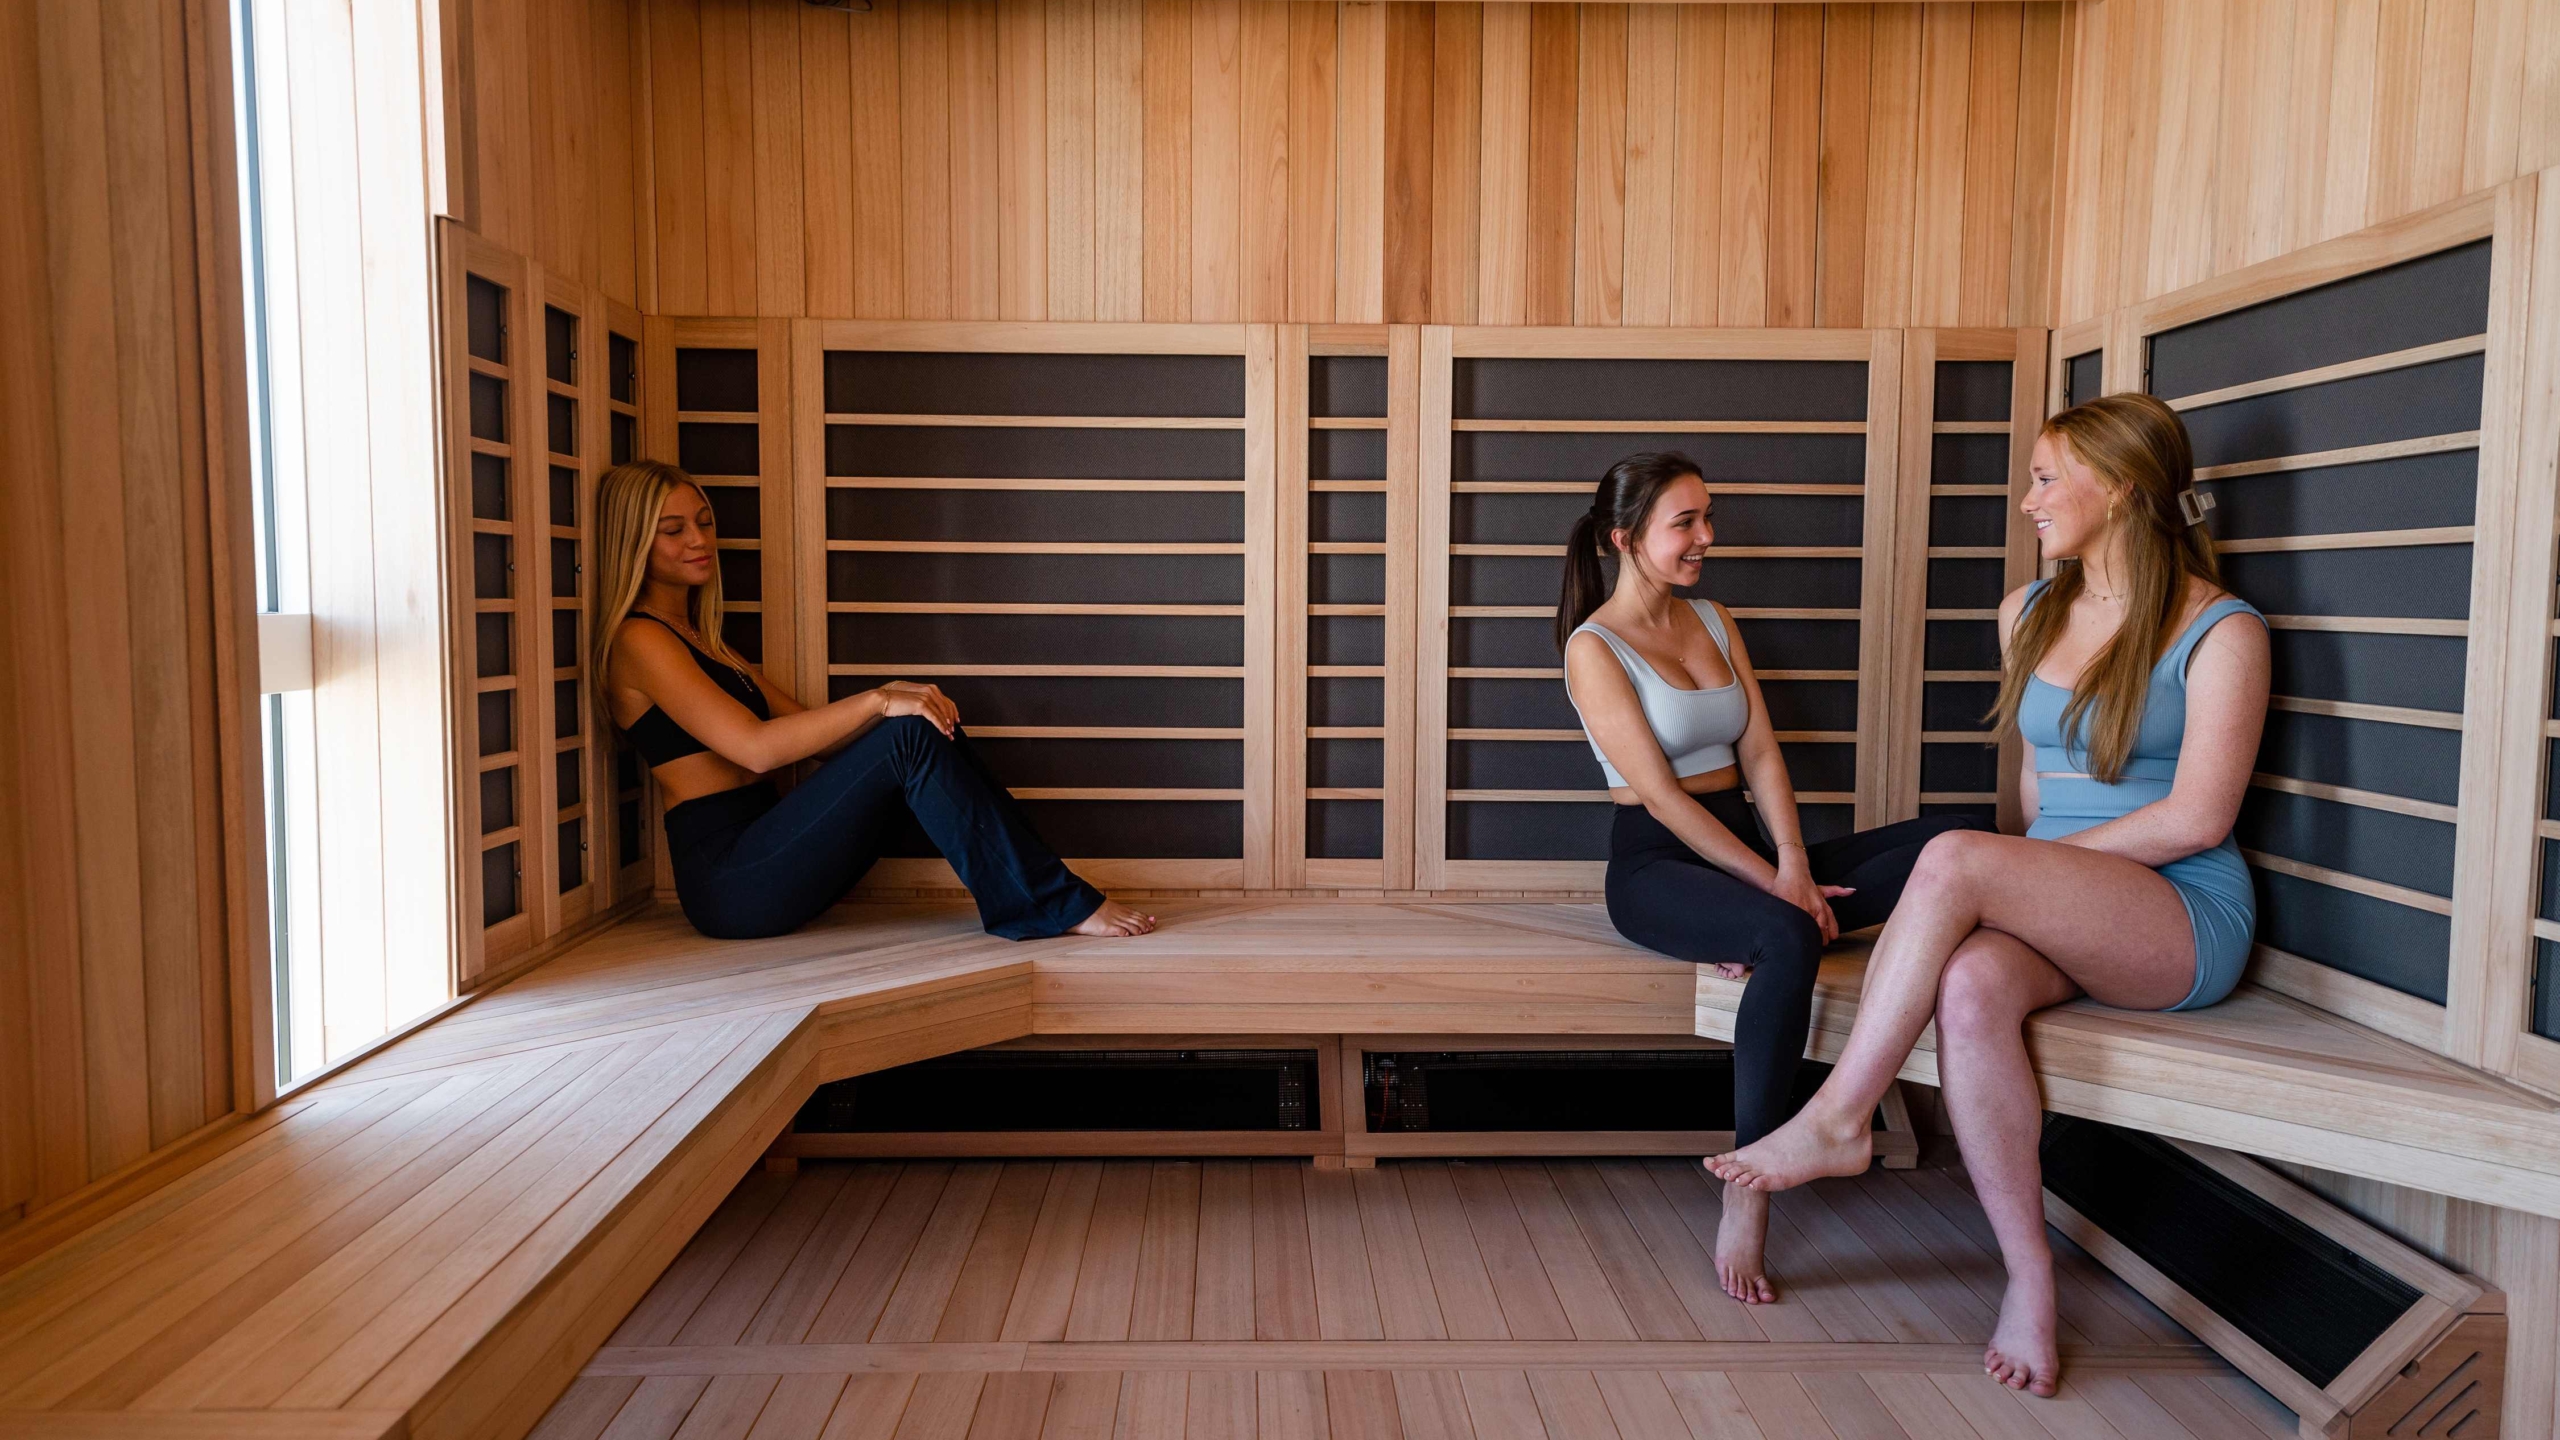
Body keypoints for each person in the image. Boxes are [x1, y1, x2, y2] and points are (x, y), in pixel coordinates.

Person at [1706, 394, 2269, 1398]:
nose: (2027, 501)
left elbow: (2197, 818)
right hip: (2058, 896)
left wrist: (2023, 875)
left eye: (2046, 478)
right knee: (1968, 987)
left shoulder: (2220, 629)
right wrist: (2024, 880)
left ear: (2121, 488)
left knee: (1957, 856)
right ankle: (2030, 1278)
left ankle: (1840, 1116)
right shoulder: (2027, 612)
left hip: (2179, 911)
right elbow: (2033, 792)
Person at [1559, 452, 1989, 1308]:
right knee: (1789, 929)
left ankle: (1758, 930)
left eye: (1706, 518)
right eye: (1685, 522)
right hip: (1657, 864)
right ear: (1625, 539)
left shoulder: (1714, 620)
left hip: (1751, 852)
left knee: (1961, 841)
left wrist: (1791, 863)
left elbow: (1758, 752)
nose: (1706, 538)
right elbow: (1664, 799)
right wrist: (1772, 891)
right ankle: (1748, 1186)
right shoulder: (1594, 648)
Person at [590, 459, 1157, 942]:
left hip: (771, 849)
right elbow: (757, 750)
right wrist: (880, 701)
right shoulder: (640, 641)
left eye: (704, 522)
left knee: (924, 726)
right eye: (674, 530)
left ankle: (1049, 891)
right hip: (731, 881)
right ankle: (1051, 900)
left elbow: (813, 738)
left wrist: (905, 703)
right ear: (634, 542)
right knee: (906, 732)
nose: (699, 540)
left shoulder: (704, 640)